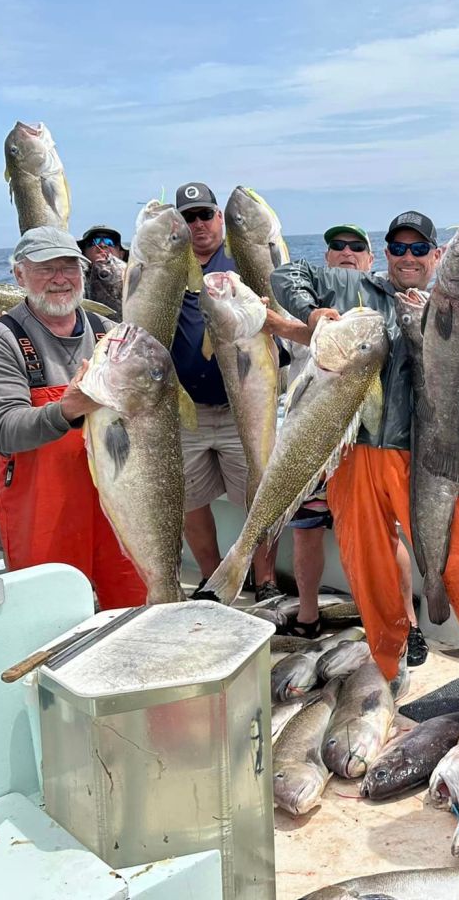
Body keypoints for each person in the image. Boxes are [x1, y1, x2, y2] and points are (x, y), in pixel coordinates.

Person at [272, 210, 459, 700]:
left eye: (418, 248)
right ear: (385, 253)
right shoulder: (353, 288)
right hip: (354, 453)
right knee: (369, 566)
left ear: (436, 255)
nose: (408, 257)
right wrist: (309, 312)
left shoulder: (454, 310)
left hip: (425, 457)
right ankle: (388, 663)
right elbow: (287, 274)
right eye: (398, 248)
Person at [0, 226, 146, 608]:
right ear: (19, 275)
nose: (59, 279)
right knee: (49, 616)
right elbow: (3, 430)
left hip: (117, 503)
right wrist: (68, 409)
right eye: (45, 268)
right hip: (43, 509)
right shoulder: (1, 340)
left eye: (68, 267)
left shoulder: (111, 334)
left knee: (135, 607)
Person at [285, 223, 417, 652]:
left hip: (365, 448)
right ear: (326, 258)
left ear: (370, 258)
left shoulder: (383, 300)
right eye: (336, 246)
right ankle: (307, 615)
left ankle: (407, 621)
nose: (345, 252)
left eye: (355, 247)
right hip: (313, 441)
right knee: (305, 529)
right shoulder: (311, 295)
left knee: (386, 536)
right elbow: (282, 283)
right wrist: (306, 318)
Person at [170, 181, 283, 601]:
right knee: (190, 500)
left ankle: (265, 579)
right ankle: (210, 578)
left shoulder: (247, 259)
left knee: (260, 491)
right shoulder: (169, 268)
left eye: (205, 215)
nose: (197, 224)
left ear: (220, 218)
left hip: (245, 406)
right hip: (188, 411)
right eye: (188, 217)